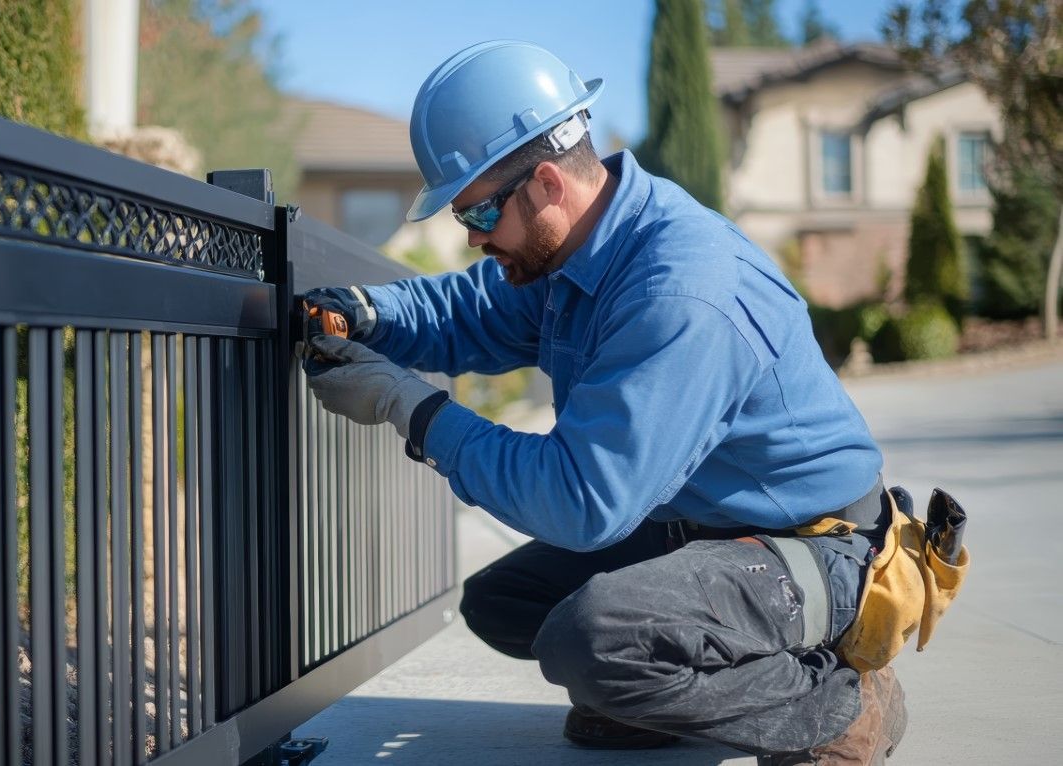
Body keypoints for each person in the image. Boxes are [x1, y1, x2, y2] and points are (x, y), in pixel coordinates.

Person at [300, 40, 909, 764]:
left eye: (482, 212)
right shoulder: (580, 253)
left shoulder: (680, 291)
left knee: (592, 638)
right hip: (710, 529)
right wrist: (369, 313)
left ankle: (840, 705)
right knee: (507, 602)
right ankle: (679, 692)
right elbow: (471, 310)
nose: (472, 237)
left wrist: (413, 410)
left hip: (817, 547)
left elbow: (584, 502)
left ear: (548, 183)